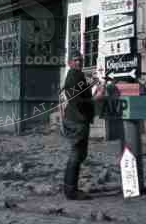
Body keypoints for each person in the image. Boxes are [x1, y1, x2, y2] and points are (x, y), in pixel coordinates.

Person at [59, 51, 95, 200]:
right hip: (76, 120)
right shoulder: (74, 75)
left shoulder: (76, 76)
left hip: (77, 119)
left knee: (79, 154)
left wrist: (92, 85)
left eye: (80, 60)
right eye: (75, 60)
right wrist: (95, 99)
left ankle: (70, 188)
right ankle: (71, 190)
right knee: (76, 154)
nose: (79, 62)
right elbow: (77, 101)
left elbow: (80, 95)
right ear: (70, 63)